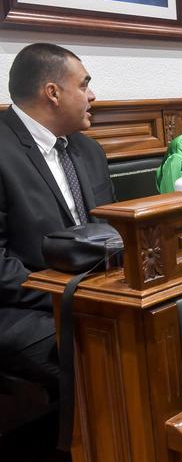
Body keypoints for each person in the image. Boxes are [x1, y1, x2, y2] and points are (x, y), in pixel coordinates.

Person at [0, 44, 114, 408]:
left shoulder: (89, 151)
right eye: (84, 85)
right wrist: (67, 297)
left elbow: (112, 232)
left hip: (93, 296)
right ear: (52, 92)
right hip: (21, 309)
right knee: (108, 361)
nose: (92, 95)